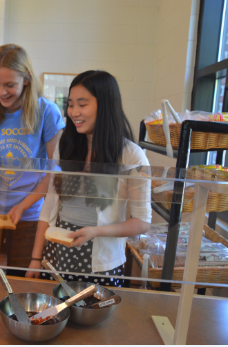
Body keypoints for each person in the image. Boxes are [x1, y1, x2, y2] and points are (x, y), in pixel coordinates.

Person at [26, 70, 151, 287]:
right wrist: (36, 258)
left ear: (105, 105)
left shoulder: (131, 155)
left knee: (95, 317)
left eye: (82, 104)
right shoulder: (66, 144)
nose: (73, 112)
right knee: (57, 314)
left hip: (103, 260)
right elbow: (50, 202)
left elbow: (142, 222)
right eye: (71, 104)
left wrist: (96, 232)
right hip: (58, 251)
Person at [0, 44, 65, 276]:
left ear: (27, 80)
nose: (2, 92)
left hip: (30, 212)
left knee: (22, 281)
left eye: (10, 85)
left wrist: (22, 206)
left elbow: (54, 170)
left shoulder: (46, 111)